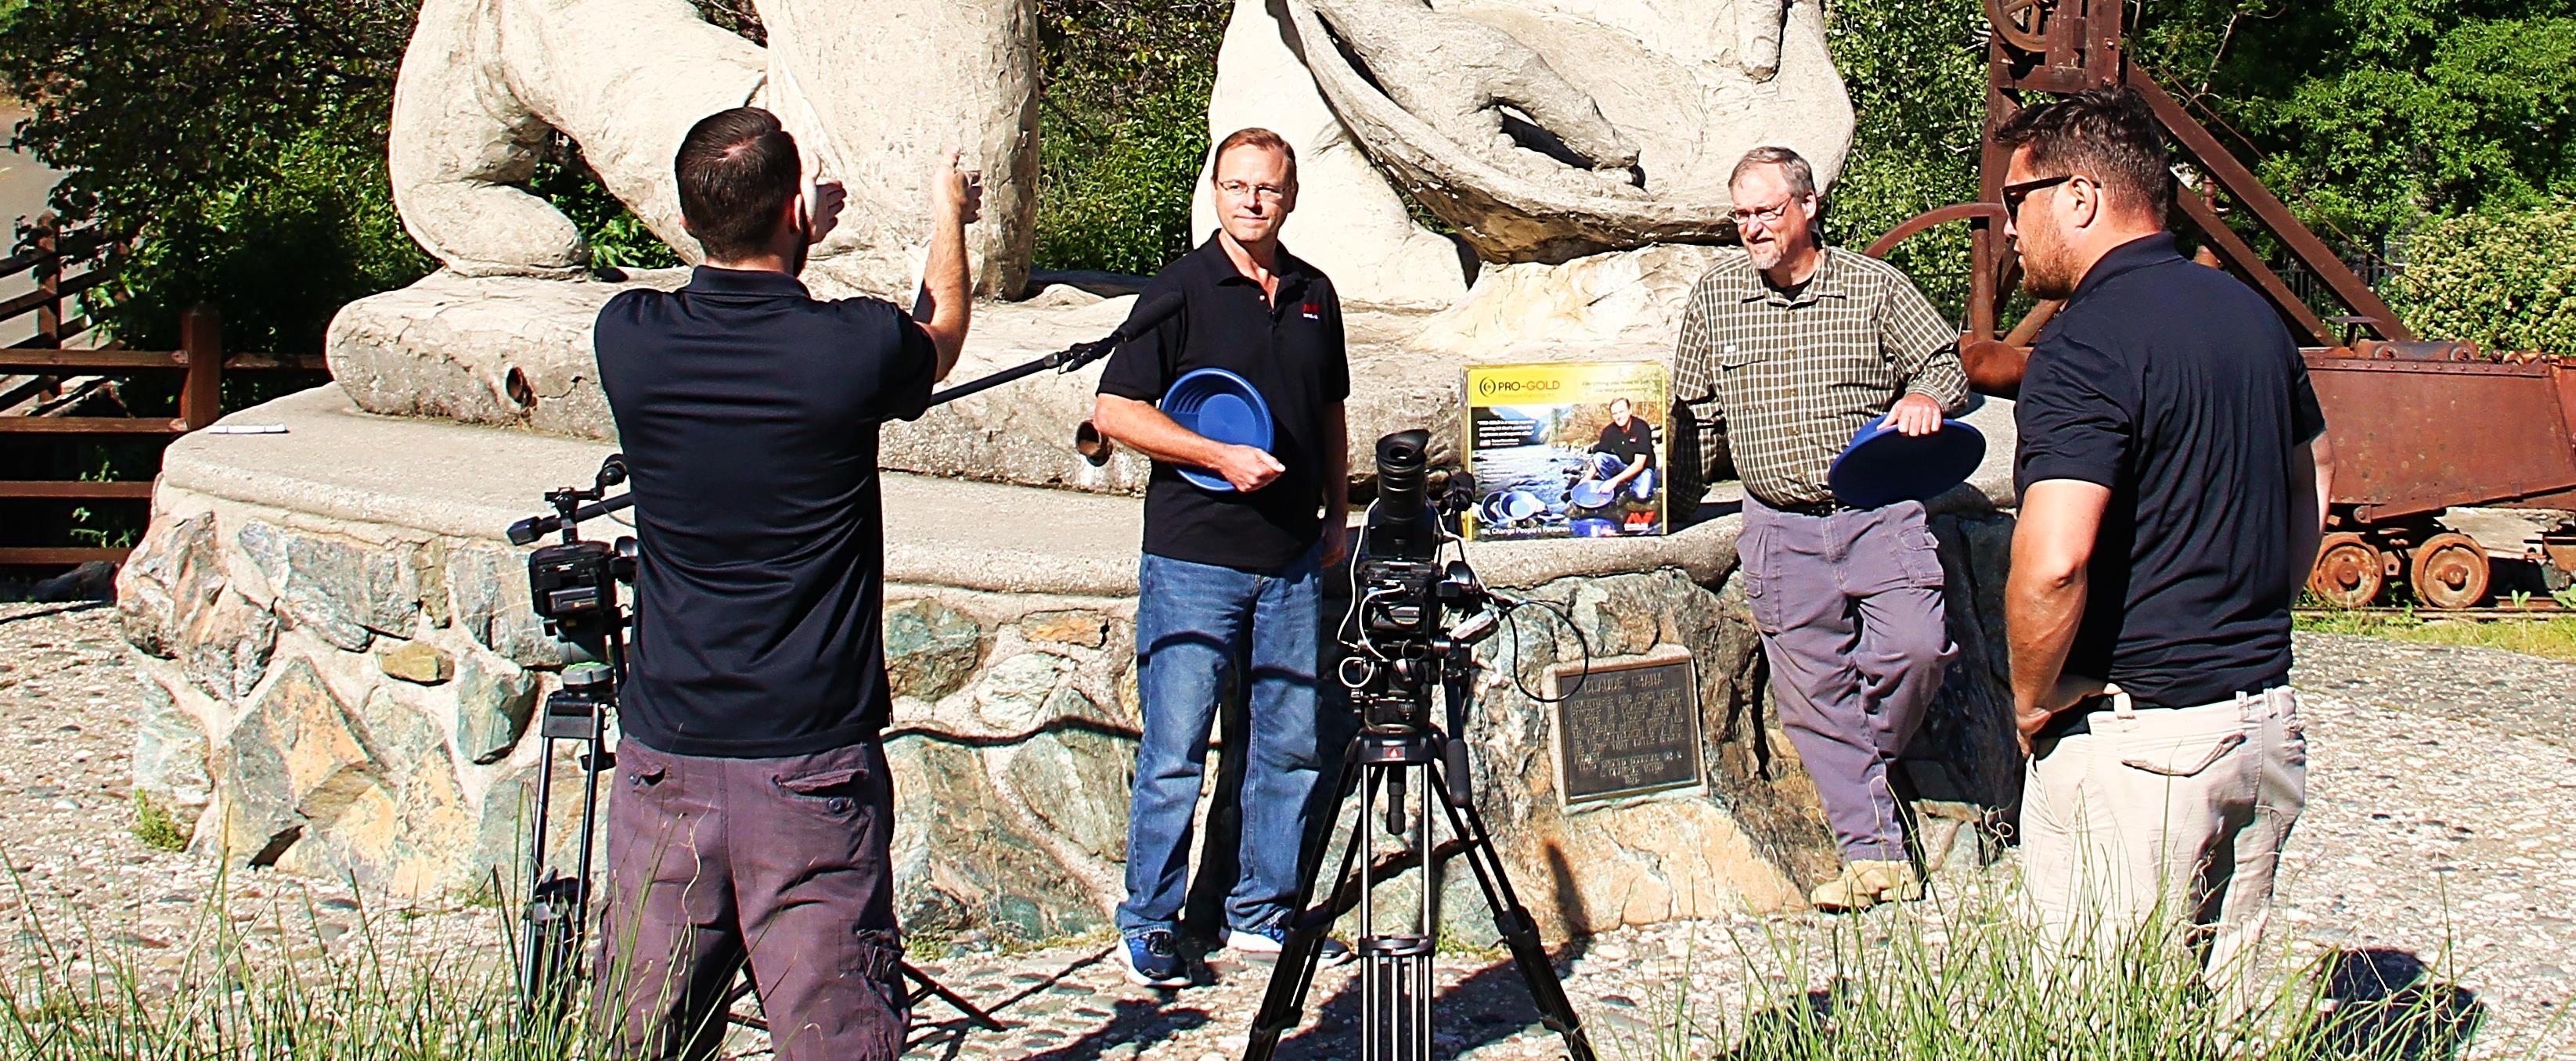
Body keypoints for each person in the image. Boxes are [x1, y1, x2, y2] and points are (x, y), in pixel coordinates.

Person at [589, 106, 980, 1060]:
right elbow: (944, 325)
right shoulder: (849, 350)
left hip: (665, 753)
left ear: (687, 221)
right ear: (798, 211)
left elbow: (732, 285)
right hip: (807, 760)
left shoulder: (628, 338)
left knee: (639, 1034)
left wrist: (783, 236)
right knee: (835, 1032)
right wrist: (947, 217)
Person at [2001, 87, 2332, 1005]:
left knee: (2098, 1012)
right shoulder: (2249, 318)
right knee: (2227, 1013)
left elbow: (2055, 559)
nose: (2011, 230)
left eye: (2016, 202)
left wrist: (2033, 697)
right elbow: (2317, 470)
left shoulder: (2084, 346)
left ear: (2079, 197)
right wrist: (2254, 601)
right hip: (2262, 723)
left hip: (2139, 745)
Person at [1670, 145, 1969, 912]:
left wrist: (1927, 398)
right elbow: (1697, 418)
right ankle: (1875, 855)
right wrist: (1644, 499)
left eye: (1766, 211)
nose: (1752, 228)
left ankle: (1853, 772)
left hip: (1876, 510)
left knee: (1917, 647)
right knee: (1811, 694)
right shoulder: (1716, 298)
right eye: (1741, 215)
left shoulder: (1874, 289)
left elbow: (1945, 364)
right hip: (1777, 525)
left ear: (1807, 206)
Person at [1090, 127, 1353, 987]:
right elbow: (1117, 412)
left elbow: (1330, 410)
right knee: (1175, 750)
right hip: (1195, 559)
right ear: (1214, 191)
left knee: (1286, 745)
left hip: (1289, 558)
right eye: (1236, 186)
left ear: (1289, 197)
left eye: (1267, 189)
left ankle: (1259, 915)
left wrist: (1338, 516)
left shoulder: (1317, 294)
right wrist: (1217, 456)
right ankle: (1151, 922)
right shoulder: (1178, 291)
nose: (1251, 201)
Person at [1585, 397, 1658, 505]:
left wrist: (1613, 481)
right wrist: (1585, 481)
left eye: (1622, 412)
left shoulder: (1641, 428)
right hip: (1622, 466)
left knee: (1642, 495)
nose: (1619, 416)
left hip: (1643, 470)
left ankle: (1625, 488)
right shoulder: (1609, 431)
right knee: (1598, 457)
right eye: (1615, 414)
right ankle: (1620, 485)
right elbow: (1598, 459)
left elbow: (1639, 465)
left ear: (1630, 410)